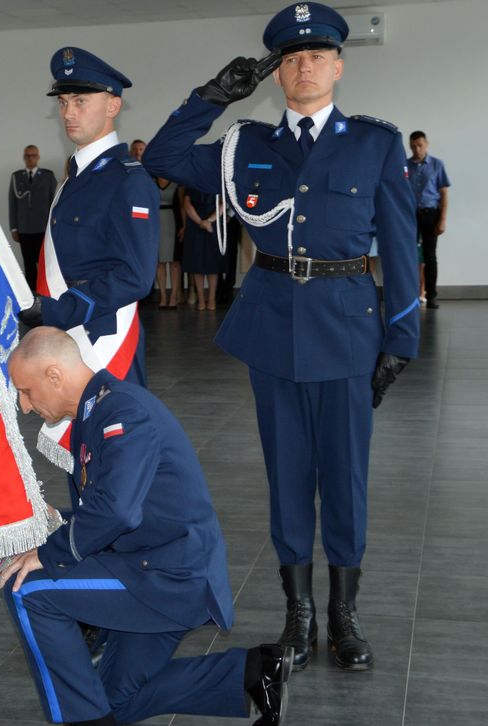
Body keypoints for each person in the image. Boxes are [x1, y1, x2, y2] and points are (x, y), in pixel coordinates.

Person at [144, 2, 419, 672]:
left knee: (346, 478)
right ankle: (297, 614)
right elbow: (164, 156)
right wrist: (211, 96)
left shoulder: (375, 143)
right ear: (276, 74)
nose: (303, 67)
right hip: (273, 331)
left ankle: (344, 613)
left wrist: (402, 336)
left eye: (316, 55)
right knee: (287, 475)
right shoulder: (247, 147)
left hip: (349, 329)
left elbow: (400, 241)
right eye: (290, 59)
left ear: (339, 66)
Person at [1, 327, 292, 726]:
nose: (25, 406)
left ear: (54, 376)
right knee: (111, 700)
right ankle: (250, 671)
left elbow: (117, 512)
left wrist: (50, 551)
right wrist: (52, 524)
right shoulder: (97, 414)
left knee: (28, 589)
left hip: (168, 576)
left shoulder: (121, 412)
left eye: (26, 391)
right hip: (150, 569)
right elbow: (109, 510)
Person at [18, 47, 157, 393]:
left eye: (80, 101)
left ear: (113, 106)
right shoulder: (73, 178)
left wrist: (58, 311)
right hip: (67, 340)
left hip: (103, 341)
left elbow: (134, 277)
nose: (68, 112)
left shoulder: (129, 180)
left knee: (111, 442)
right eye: (63, 102)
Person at [407, 130, 450, 309]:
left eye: (420, 145)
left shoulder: (437, 165)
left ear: (426, 144)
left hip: (430, 214)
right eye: (413, 146)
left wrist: (442, 219)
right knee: (409, 256)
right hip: (409, 215)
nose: (417, 149)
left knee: (430, 256)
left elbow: (444, 193)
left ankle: (431, 295)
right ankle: (410, 295)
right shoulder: (404, 166)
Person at [8, 145, 57, 291]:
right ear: (24, 158)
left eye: (33, 155)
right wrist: (14, 227)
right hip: (24, 229)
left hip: (42, 228)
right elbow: (13, 203)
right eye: (27, 156)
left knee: (43, 263)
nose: (30, 158)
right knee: (28, 264)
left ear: (38, 157)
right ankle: (32, 294)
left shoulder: (48, 176)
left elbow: (54, 202)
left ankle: (43, 291)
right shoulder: (16, 177)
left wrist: (53, 227)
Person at [181, 187, 223, 311]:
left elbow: (223, 203)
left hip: (214, 222)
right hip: (195, 222)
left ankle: (211, 299)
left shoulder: (218, 180)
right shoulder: (191, 180)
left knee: (213, 263)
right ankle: (200, 299)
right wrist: (200, 222)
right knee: (196, 262)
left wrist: (209, 220)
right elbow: (186, 203)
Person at [153, 177, 181, 308]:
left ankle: (174, 296)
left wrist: (184, 226)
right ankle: (163, 296)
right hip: (155, 222)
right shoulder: (151, 180)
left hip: (173, 221)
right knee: (159, 263)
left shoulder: (176, 182)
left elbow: (182, 205)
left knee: (174, 262)